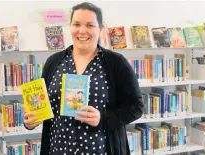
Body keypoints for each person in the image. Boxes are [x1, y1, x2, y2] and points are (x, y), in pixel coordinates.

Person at [23, 2, 143, 155]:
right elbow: (42, 104)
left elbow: (136, 107)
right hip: (58, 150)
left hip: (100, 150)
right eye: (76, 24)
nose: (82, 30)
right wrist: (30, 122)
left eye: (90, 25)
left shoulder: (116, 63)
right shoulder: (54, 62)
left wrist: (102, 118)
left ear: (101, 29)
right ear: (70, 27)